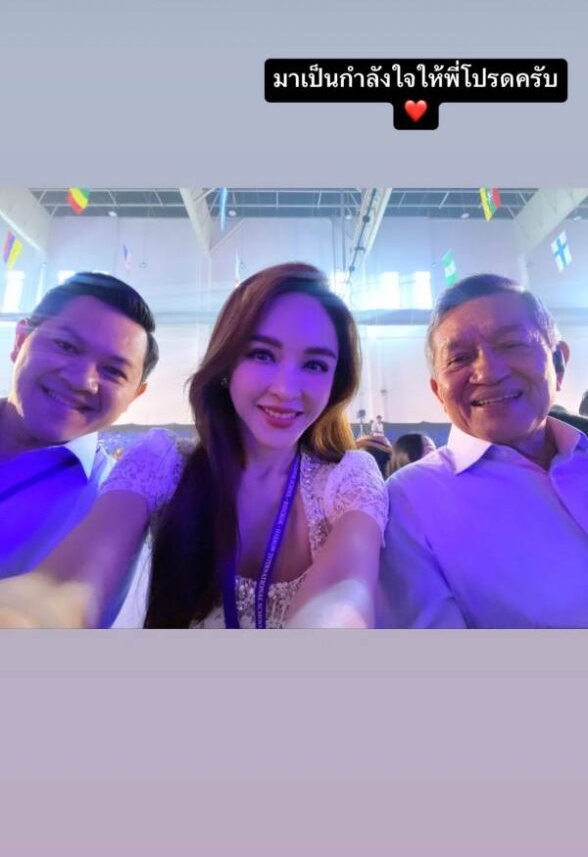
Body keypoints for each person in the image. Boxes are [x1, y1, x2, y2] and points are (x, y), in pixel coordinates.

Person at [0, 263, 387, 629]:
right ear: (227, 365)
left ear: (336, 382)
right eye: (262, 355)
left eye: (315, 365)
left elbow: (345, 595)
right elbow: (70, 584)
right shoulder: (163, 463)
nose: (285, 389)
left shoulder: (348, 480)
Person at [378, 273, 588, 629]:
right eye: (459, 358)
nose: (488, 372)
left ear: (558, 362)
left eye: (511, 344)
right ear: (438, 392)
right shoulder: (409, 501)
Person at [0, 271, 158, 624]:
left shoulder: (112, 509)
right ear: (20, 339)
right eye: (66, 346)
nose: (81, 380)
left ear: (135, 395)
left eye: (113, 371)